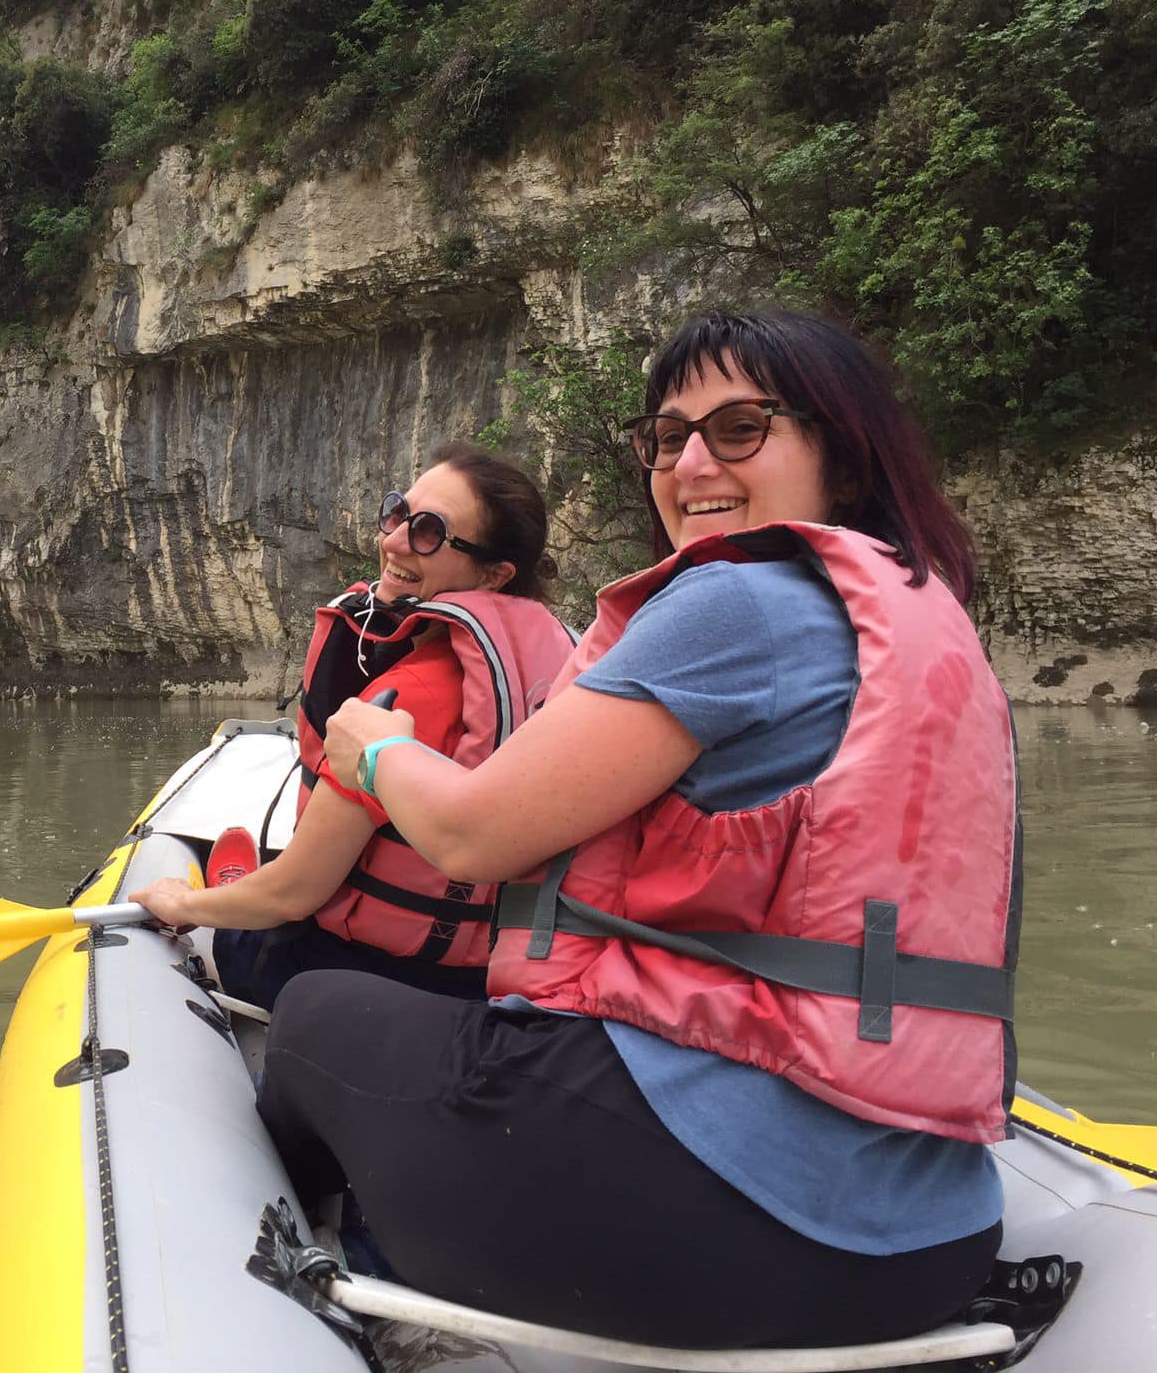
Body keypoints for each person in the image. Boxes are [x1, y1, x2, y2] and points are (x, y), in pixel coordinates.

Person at [259, 311, 1018, 1350]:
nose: (691, 461)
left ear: (841, 461)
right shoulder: (913, 615)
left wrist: (372, 750)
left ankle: (356, 1306)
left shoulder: (735, 605)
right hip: (928, 1245)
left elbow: (474, 837)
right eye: (667, 437)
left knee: (307, 1012)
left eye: (740, 427)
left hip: (718, 1242)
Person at [131, 443, 576, 1008]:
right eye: (398, 514)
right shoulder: (563, 671)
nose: (393, 541)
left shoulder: (403, 698)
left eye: (429, 532)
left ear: (494, 574)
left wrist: (183, 905)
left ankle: (231, 897)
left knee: (245, 935)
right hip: (483, 977)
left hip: (366, 975)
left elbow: (296, 894)